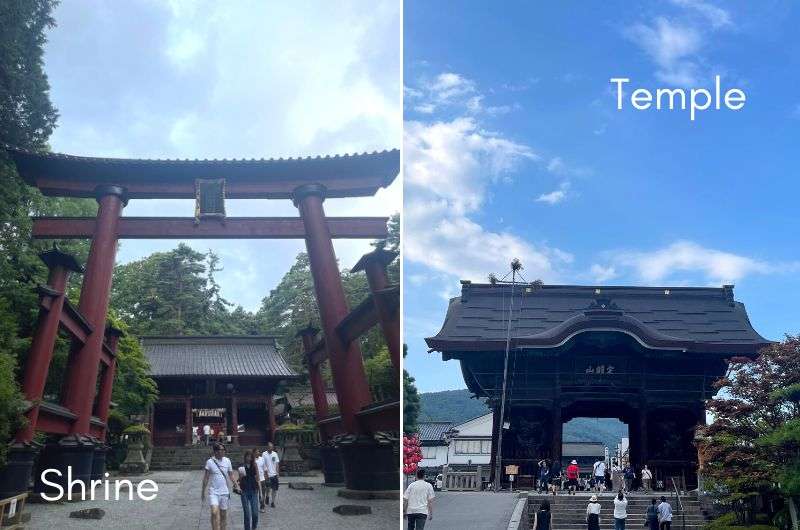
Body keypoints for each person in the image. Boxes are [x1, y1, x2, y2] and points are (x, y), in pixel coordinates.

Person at [201, 443, 236, 530]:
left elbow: (231, 475)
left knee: (223, 515)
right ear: (215, 451)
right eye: (220, 450)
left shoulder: (227, 461)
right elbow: (206, 477)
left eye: (223, 450)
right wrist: (203, 491)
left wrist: (236, 484)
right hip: (214, 492)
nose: (222, 452)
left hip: (224, 492)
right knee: (214, 512)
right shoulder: (210, 462)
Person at [237, 450, 263, 530]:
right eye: (247, 456)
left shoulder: (254, 466)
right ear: (245, 457)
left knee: (255, 514)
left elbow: (258, 479)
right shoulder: (242, 466)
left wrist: (261, 493)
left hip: (254, 491)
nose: (249, 458)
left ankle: (254, 528)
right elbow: (239, 481)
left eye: (250, 457)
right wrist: (240, 476)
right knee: (247, 514)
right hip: (244, 491)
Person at [261, 442, 280, 508]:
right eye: (269, 447)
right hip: (267, 474)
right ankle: (267, 496)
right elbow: (263, 464)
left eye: (272, 447)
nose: (270, 448)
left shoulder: (275, 454)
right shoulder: (264, 454)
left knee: (274, 489)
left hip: (274, 474)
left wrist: (277, 472)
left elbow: (277, 464)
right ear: (267, 447)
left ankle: (273, 502)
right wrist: (264, 473)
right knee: (268, 488)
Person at [254, 448, 266, 513]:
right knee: (255, 494)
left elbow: (264, 468)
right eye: (256, 452)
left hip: (262, 479)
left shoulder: (262, 459)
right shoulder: (252, 460)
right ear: (254, 453)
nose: (258, 453)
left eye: (258, 452)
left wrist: (266, 477)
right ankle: (255, 506)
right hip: (255, 480)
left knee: (262, 494)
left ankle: (262, 506)